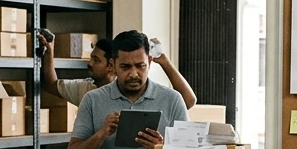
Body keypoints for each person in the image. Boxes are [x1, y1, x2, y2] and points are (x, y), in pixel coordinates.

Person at [67, 30, 189, 149]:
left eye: (140, 66)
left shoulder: (173, 100)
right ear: (112, 65)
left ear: (150, 62)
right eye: (125, 67)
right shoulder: (93, 100)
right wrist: (102, 134)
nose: (133, 74)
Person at [39, 29, 198, 109]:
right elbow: (51, 85)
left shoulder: (137, 87)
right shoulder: (87, 92)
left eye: (96, 60)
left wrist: (164, 62)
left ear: (111, 65)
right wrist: (49, 51)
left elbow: (188, 101)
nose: (90, 64)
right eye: (126, 66)